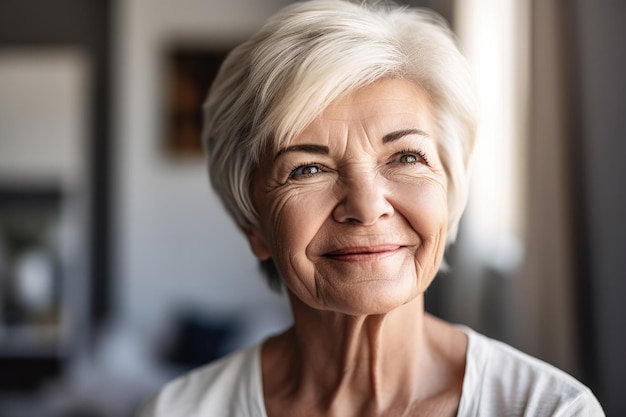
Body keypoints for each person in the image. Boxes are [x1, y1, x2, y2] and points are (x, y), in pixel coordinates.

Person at [137, 0, 604, 416]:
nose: (366, 207)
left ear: (448, 193)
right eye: (307, 169)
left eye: (406, 157)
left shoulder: (551, 408)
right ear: (252, 224)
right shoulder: (179, 410)